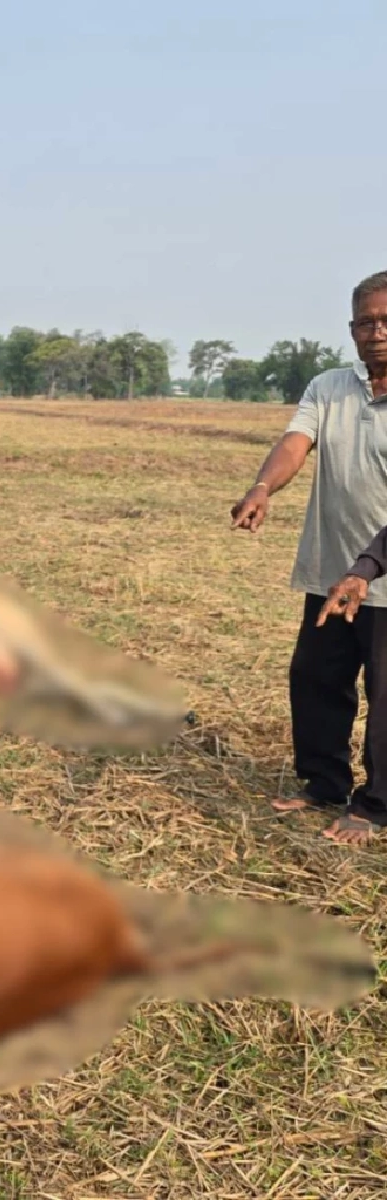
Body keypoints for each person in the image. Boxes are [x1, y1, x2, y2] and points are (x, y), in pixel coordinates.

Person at [231, 269, 387, 847]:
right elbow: (296, 442)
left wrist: (368, 569)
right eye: (367, 321)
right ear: (351, 329)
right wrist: (263, 488)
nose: (377, 331)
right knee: (316, 679)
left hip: (383, 583)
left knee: (386, 695)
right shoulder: (329, 387)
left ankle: (375, 806)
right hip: (330, 568)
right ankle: (324, 783)